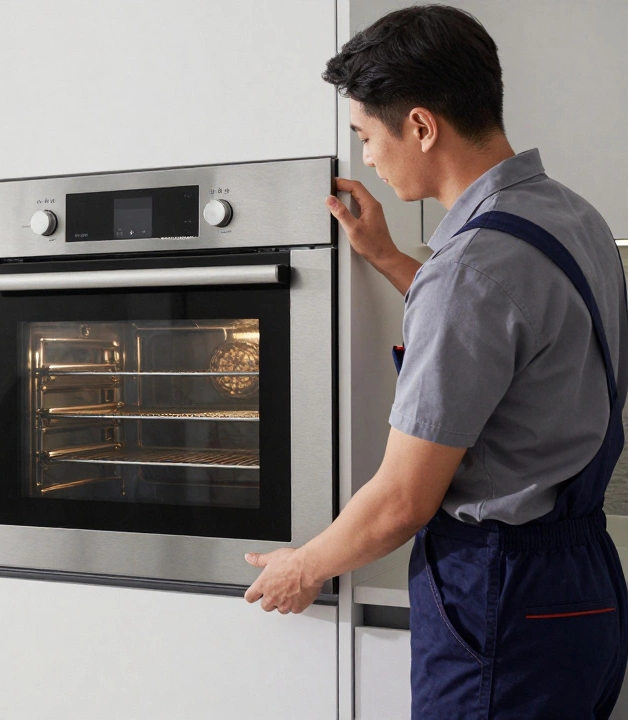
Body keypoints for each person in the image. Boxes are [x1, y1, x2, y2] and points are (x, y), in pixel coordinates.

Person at [242, 6, 628, 718]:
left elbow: (399, 503)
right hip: (585, 591)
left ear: (420, 127)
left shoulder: (470, 268)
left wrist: (303, 565)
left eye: (365, 135)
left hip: (500, 600)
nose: (366, 158)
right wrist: (389, 259)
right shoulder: (576, 218)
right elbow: (509, 338)